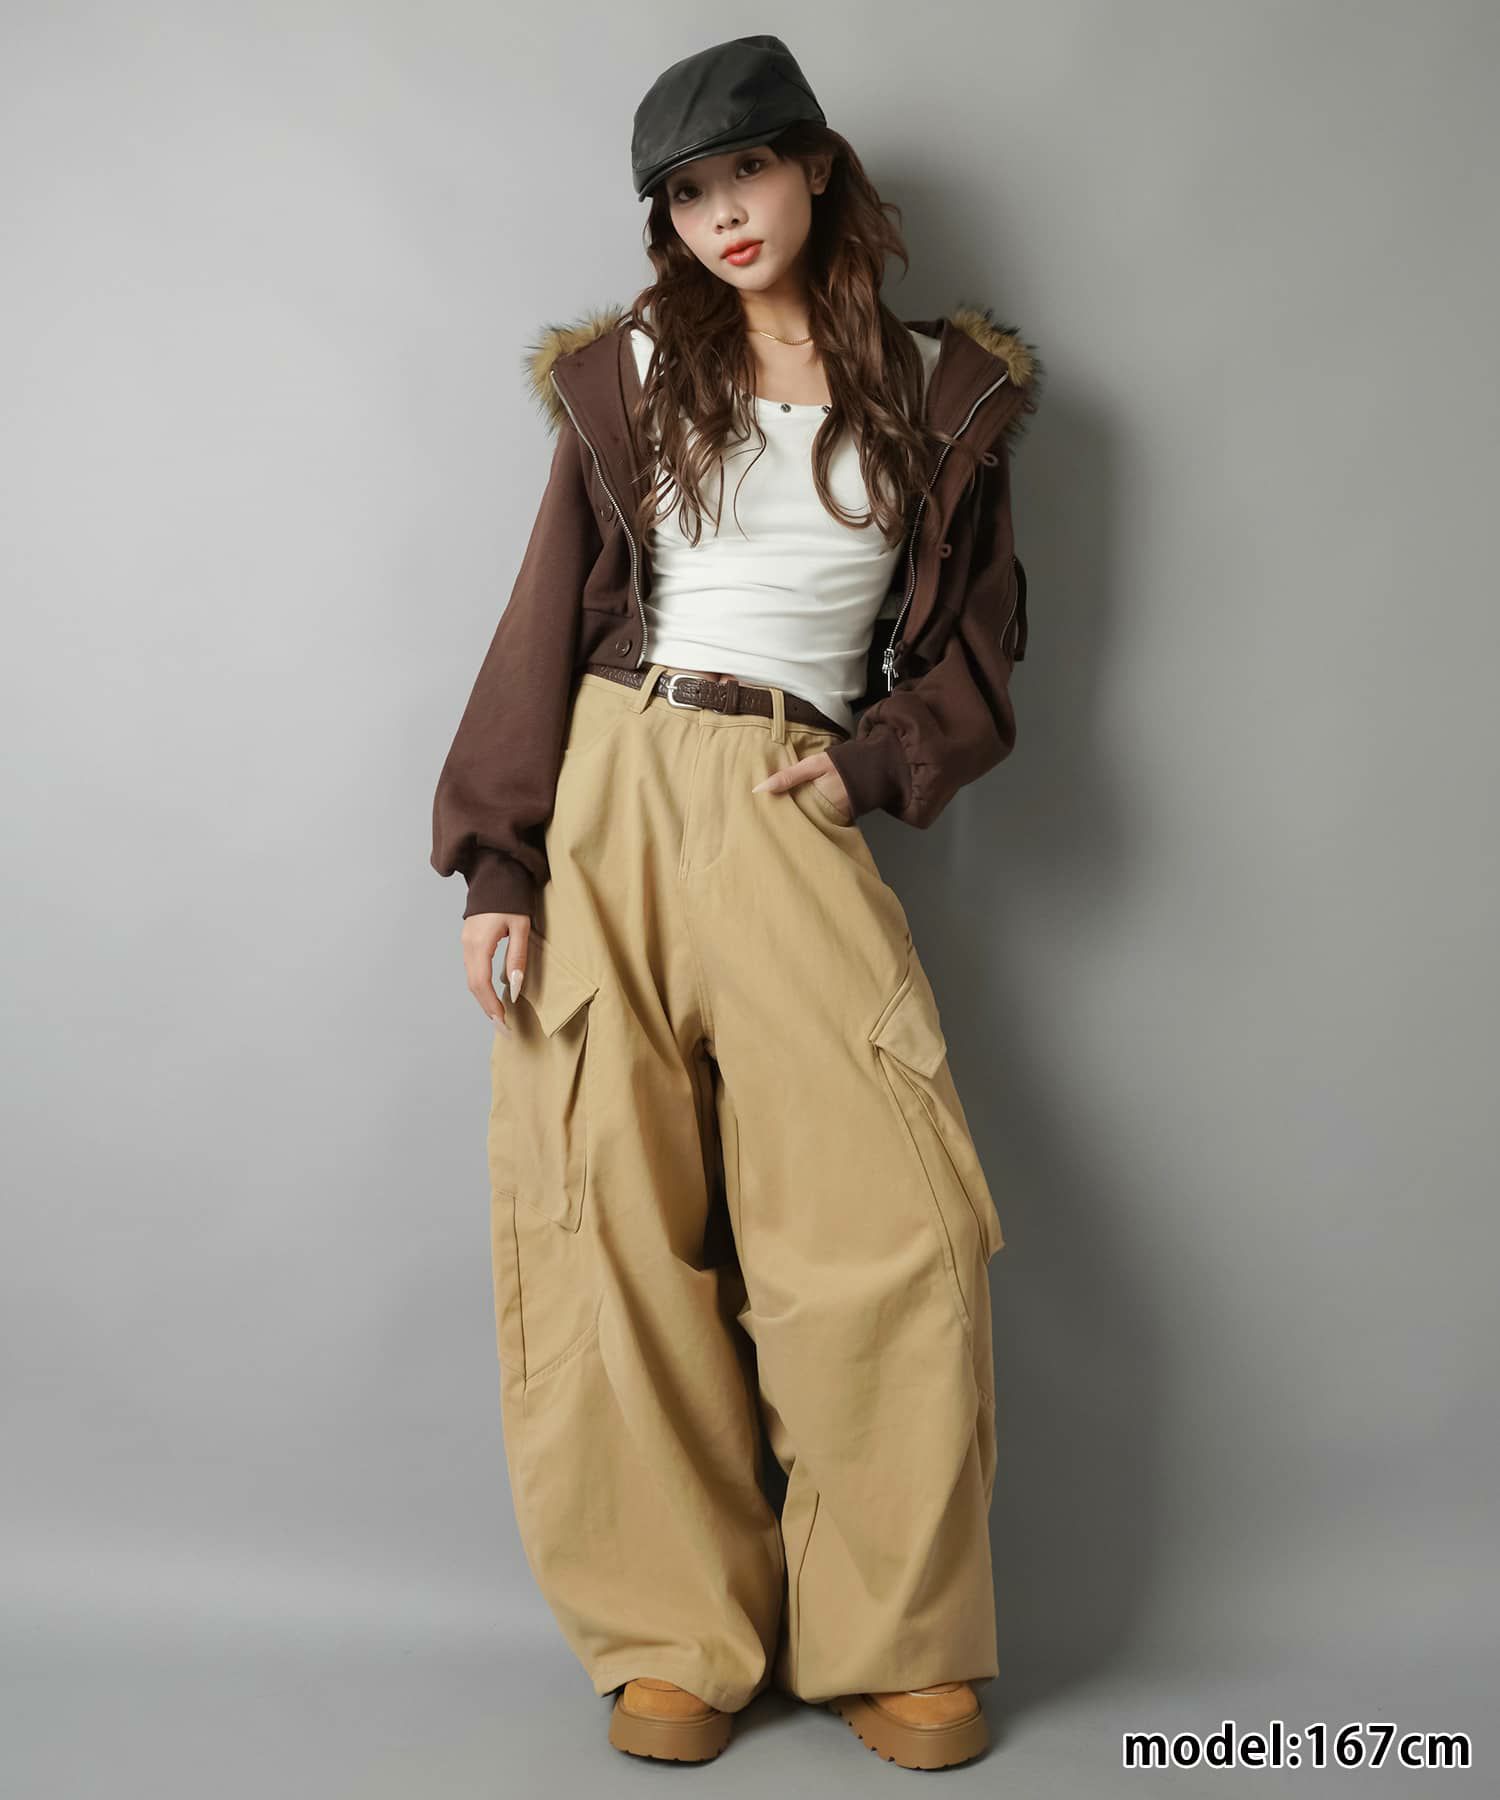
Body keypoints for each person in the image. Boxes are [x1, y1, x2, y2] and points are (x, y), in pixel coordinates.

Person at [429, 33, 1044, 1773]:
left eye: (747, 174)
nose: (724, 217)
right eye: (688, 196)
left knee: (888, 1230)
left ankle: (893, 1638)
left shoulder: (938, 392)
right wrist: (499, 862)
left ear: (816, 167)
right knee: (608, 1224)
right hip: (615, 784)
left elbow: (975, 663)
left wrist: (865, 770)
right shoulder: (631, 375)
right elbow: (544, 618)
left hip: (792, 797)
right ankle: (674, 1637)